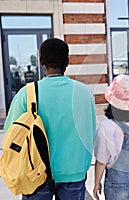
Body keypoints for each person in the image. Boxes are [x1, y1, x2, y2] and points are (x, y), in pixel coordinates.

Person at [4, 38, 96, 200]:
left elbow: (10, 132)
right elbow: (89, 132)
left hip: (36, 173)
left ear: (41, 61)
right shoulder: (84, 93)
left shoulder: (27, 93)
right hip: (74, 171)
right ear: (67, 61)